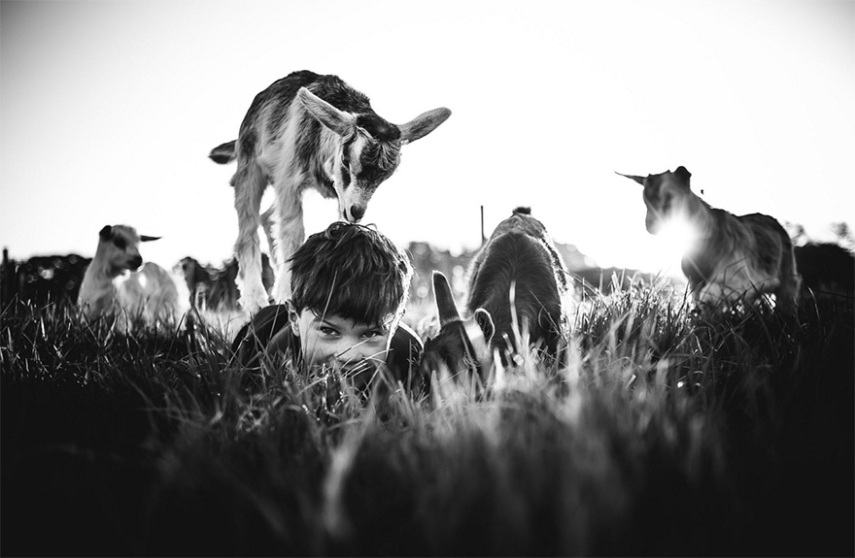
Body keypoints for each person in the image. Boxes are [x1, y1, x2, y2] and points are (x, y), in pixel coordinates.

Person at [232, 222, 423, 393]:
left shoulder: (409, 356)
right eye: (328, 330)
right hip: (269, 322)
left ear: (396, 323)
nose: (348, 355)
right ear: (294, 319)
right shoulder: (270, 356)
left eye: (371, 334)